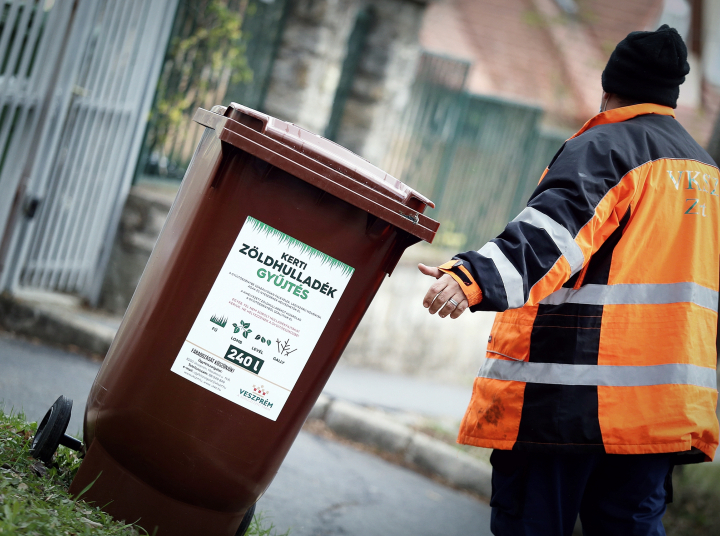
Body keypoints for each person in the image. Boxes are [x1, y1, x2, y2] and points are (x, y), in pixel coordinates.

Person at [419, 25, 719, 536]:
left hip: (570, 402)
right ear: (672, 96)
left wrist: (471, 277)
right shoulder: (708, 175)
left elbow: (551, 233)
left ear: (609, 88)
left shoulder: (609, 145)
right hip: (663, 415)